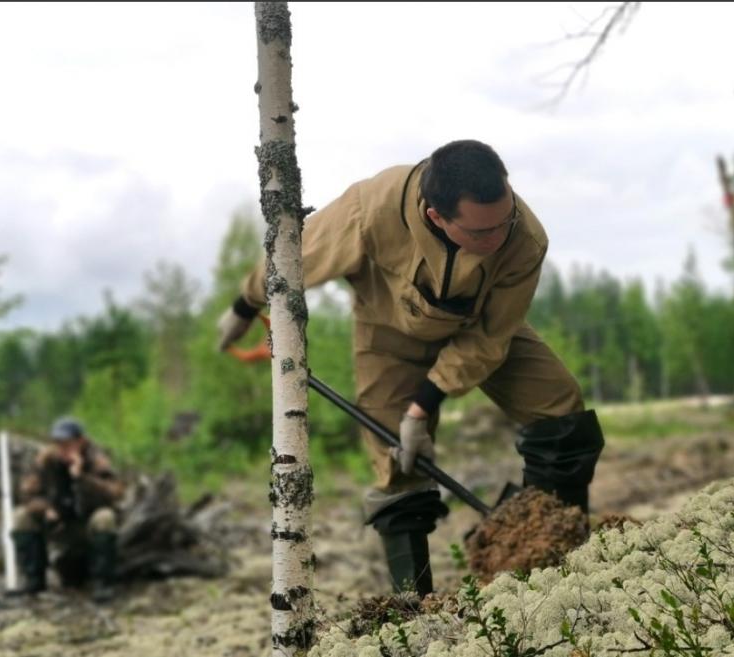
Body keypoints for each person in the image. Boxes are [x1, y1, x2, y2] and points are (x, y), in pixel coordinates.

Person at [217, 139, 604, 597]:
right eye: (481, 233)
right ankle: (415, 609)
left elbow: (491, 338)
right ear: (435, 215)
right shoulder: (370, 210)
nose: (497, 238)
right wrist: (245, 304)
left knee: (563, 416)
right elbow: (294, 259)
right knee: (398, 467)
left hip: (480, 329)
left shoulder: (524, 237)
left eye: (505, 221)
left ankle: (549, 560)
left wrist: (424, 405)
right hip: (388, 336)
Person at [10, 417, 125, 603]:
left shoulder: (96, 459)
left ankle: (103, 583)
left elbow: (114, 493)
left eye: (67, 443)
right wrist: (45, 509)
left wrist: (82, 478)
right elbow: (26, 494)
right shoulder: (46, 460)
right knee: (21, 517)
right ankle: (33, 580)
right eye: (58, 443)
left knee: (105, 518)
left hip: (87, 523)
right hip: (58, 524)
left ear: (80, 441)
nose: (62, 448)